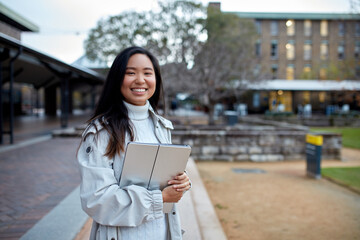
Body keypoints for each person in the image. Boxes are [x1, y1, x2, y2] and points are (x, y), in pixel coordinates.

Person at [77, 46, 191, 240]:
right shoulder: (100, 132)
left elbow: (160, 177)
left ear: (156, 80)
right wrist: (159, 199)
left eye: (148, 73)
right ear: (117, 79)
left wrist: (181, 180)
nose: (140, 80)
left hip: (162, 232)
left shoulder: (162, 126)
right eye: (130, 73)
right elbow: (96, 201)